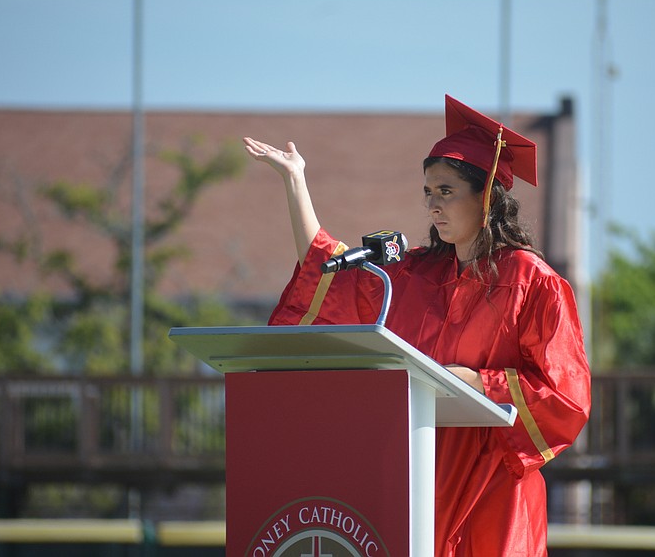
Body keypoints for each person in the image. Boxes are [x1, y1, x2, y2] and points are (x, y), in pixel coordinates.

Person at [243, 95, 591, 557]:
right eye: (428, 192)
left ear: (485, 195)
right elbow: (327, 272)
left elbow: (565, 396)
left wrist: (477, 382)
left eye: (445, 192)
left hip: (493, 485)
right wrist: (296, 181)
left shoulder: (531, 282)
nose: (432, 206)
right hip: (420, 472)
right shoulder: (413, 277)